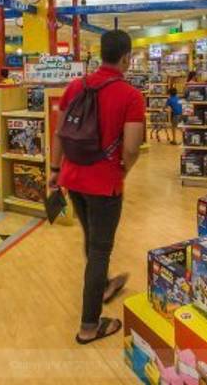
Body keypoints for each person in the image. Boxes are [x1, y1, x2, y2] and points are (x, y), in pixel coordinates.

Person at [49, 29, 145, 345]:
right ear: (126, 58)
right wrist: (124, 169)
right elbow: (131, 147)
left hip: (72, 177)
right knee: (101, 249)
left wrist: (54, 170)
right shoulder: (131, 96)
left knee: (92, 240)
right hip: (105, 183)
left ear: (100, 54)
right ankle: (89, 326)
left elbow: (60, 132)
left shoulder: (75, 86)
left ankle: (102, 285)